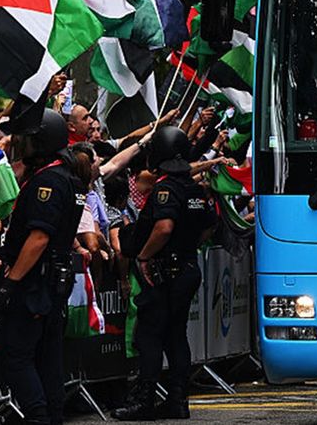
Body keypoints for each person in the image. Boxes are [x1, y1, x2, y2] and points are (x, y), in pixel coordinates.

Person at [114, 126, 216, 420]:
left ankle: (144, 402)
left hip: (162, 272)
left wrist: (145, 257)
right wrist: (187, 246)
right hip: (185, 267)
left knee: (149, 337)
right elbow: (208, 225)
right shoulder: (196, 189)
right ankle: (178, 401)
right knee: (176, 335)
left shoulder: (166, 188)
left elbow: (164, 227)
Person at [0, 108, 85, 425]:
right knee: (49, 356)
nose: (20, 144)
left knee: (18, 356)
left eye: (26, 139)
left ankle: (37, 415)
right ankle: (52, 416)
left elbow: (38, 238)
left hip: (35, 282)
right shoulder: (68, 178)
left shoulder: (47, 181)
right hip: (53, 281)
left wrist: (12, 281)